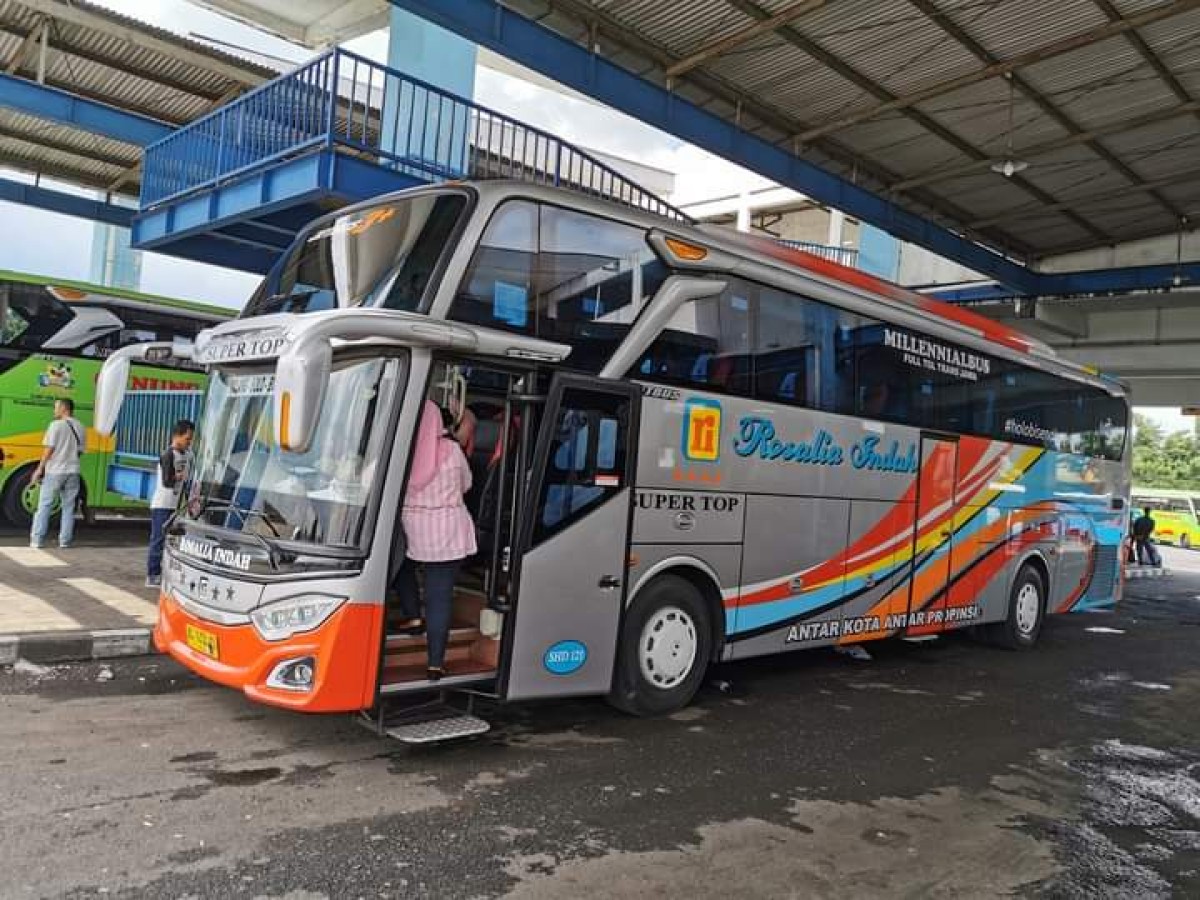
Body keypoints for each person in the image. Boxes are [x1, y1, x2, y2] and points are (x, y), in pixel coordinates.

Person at [395, 400, 477, 681]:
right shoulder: (452, 450)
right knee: (438, 597)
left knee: (400, 567)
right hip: (447, 533)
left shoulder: (403, 450)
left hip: (413, 530)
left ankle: (412, 614)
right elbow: (467, 484)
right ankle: (435, 663)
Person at [29, 398, 85, 549]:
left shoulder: (55, 425)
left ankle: (37, 539)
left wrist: (40, 468)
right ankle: (65, 541)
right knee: (68, 507)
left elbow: (49, 449)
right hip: (73, 471)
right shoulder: (80, 426)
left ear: (64, 409)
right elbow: (80, 451)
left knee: (45, 505)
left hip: (55, 471)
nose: (54, 410)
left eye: (56, 407)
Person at [147, 419, 195, 588]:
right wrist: (178, 477)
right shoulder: (168, 455)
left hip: (175, 505)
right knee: (158, 540)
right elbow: (167, 481)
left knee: (174, 540)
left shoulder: (188, 455)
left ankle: (168, 572)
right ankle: (153, 575)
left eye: (190, 439)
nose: (189, 442)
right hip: (162, 504)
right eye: (187, 439)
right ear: (177, 436)